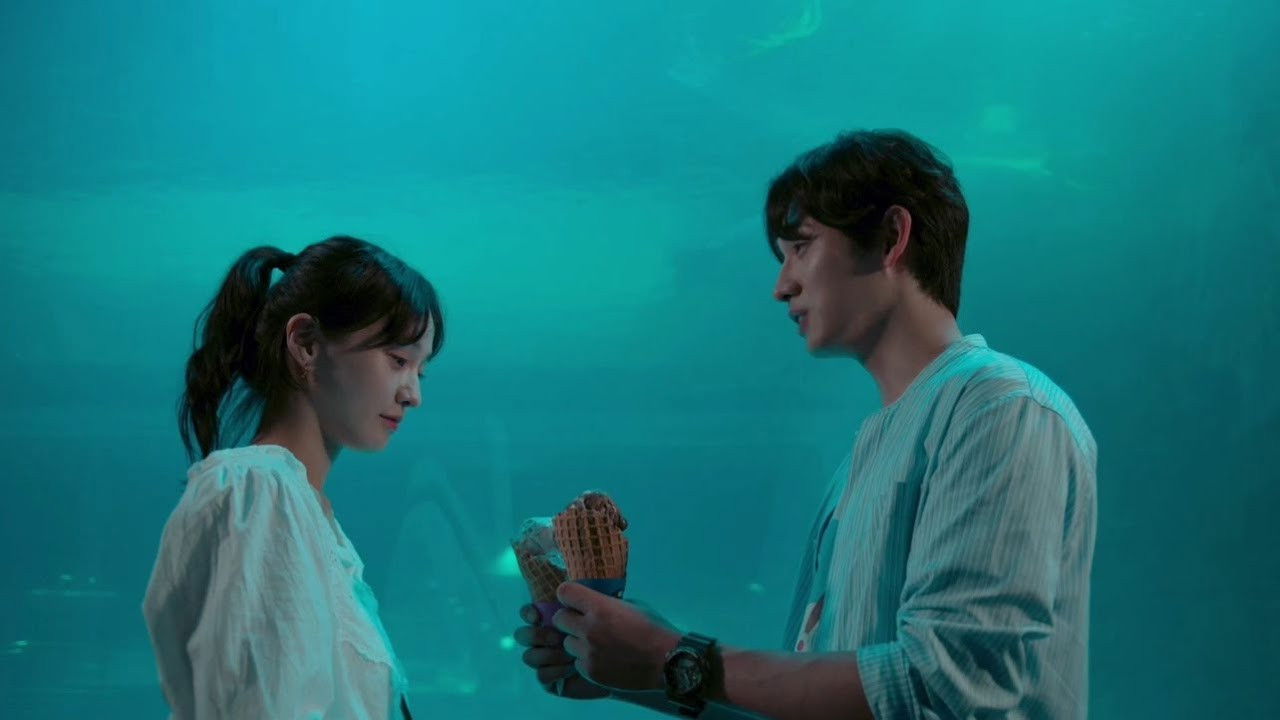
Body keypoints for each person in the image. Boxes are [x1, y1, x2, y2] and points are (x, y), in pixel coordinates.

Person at [514, 129, 1098, 720]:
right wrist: (635, 674)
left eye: (801, 246)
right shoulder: (864, 458)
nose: (781, 286)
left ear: (892, 237)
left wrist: (672, 655)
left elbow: (948, 682)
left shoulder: (1001, 408)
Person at [142, 235, 445, 719]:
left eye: (420, 371)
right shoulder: (259, 489)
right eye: (398, 360)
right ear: (305, 343)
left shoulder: (296, 506)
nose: (413, 394)